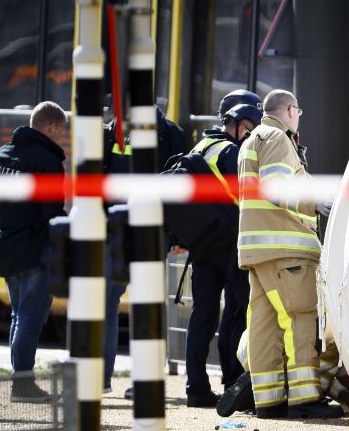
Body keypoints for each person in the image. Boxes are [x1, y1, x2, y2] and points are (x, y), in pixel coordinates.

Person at [237, 89, 340, 419]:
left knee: (263, 324)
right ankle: (304, 397)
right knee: (299, 318)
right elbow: (277, 187)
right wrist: (316, 202)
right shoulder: (278, 138)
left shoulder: (252, 139)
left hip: (258, 249)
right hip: (286, 249)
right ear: (291, 110)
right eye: (299, 111)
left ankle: (267, 400)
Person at [102, 103, 186, 396]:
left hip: (114, 227)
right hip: (154, 229)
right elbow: (179, 185)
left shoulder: (111, 131)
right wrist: (178, 233)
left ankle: (100, 380)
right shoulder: (171, 133)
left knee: (107, 302)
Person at [184, 92, 262, 408]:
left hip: (202, 243)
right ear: (238, 125)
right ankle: (233, 381)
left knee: (201, 316)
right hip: (229, 242)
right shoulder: (230, 152)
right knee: (236, 312)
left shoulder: (199, 147)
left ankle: (196, 387)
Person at [0, 101, 68, 402]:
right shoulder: (47, 161)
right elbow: (52, 213)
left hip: (7, 244)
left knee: (17, 316)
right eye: (60, 132)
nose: (59, 138)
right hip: (35, 249)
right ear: (51, 127)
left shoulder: (3, 154)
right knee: (29, 319)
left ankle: (19, 381)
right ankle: (22, 385)